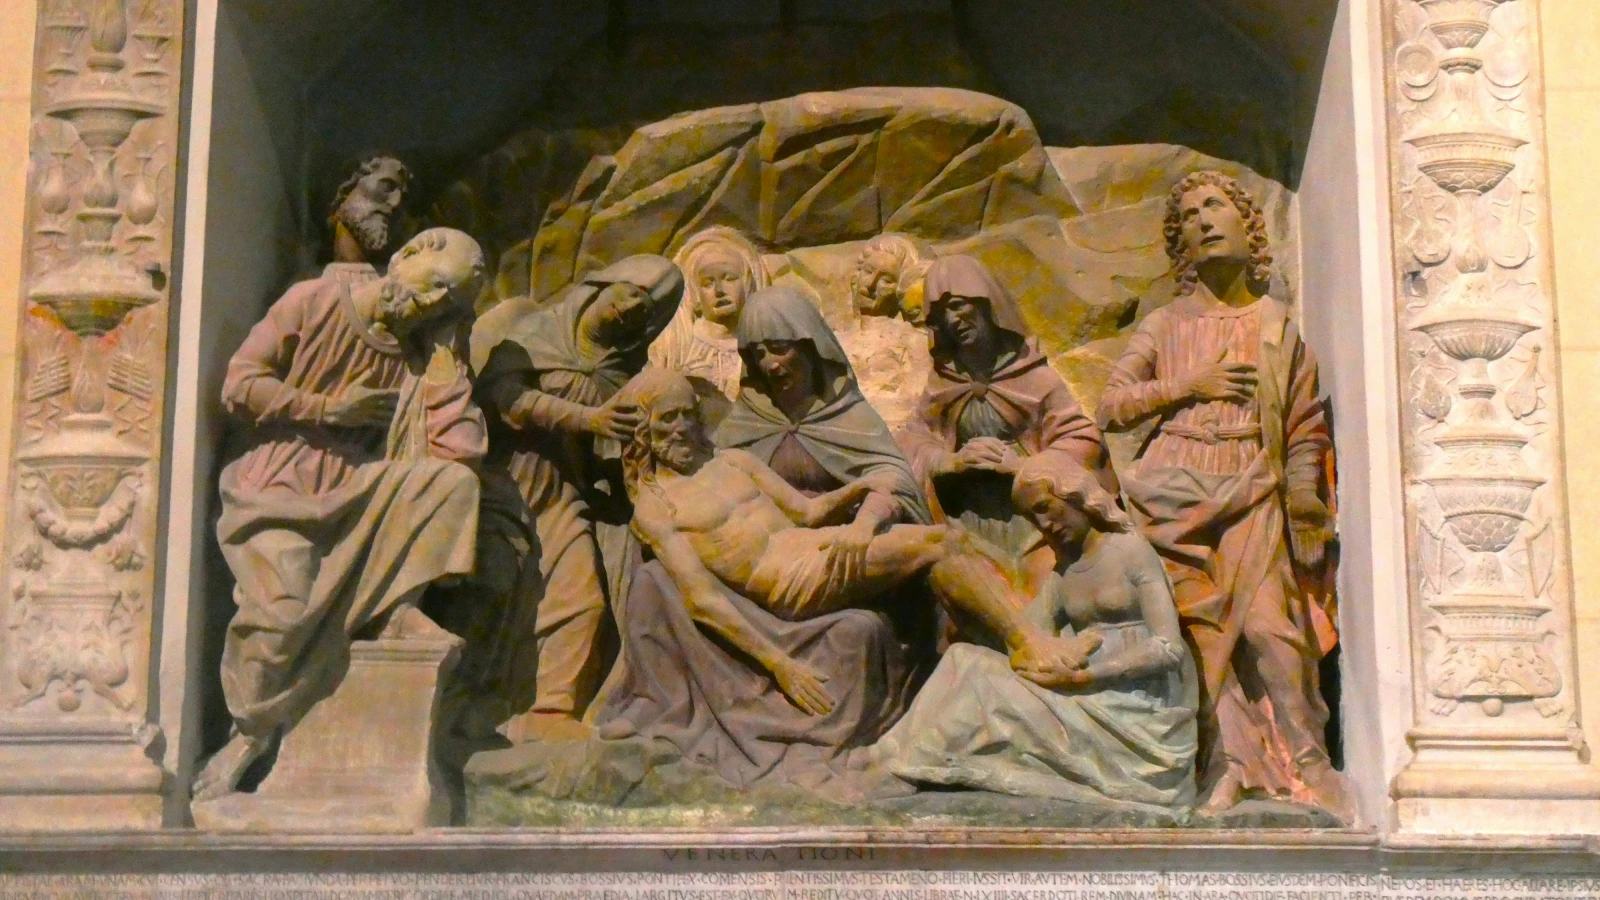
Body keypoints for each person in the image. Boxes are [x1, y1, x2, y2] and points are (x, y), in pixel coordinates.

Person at [591, 370, 1092, 799]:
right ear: (643, 431)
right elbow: (702, 601)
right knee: (940, 545)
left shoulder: (732, 463)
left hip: (816, 547)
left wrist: (861, 489)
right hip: (790, 584)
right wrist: (781, 665)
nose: (680, 428)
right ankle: (1027, 645)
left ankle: (1013, 649)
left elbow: (806, 512)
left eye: (686, 414)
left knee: (948, 541)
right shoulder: (658, 509)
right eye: (666, 419)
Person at [196, 228, 489, 801]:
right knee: (281, 614)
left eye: (446, 300)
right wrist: (330, 409)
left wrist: (447, 357)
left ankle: (392, 607)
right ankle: (246, 736)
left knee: (451, 484)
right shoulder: (313, 301)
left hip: (353, 494)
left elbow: (462, 452)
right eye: (433, 285)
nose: (430, 303)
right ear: (403, 256)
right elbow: (239, 384)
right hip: (275, 489)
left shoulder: (414, 362)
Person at [1096, 171, 1343, 815]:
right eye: (1188, 217)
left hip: (1251, 484)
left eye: (1216, 208)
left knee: (1270, 631)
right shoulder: (1164, 324)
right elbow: (1112, 405)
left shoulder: (1277, 326)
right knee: (1201, 637)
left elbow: (1303, 425)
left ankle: (1308, 761)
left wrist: (1307, 507)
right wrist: (1188, 386)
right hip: (1170, 490)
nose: (1203, 221)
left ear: (1246, 226)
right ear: (1181, 245)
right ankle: (1225, 762)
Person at [872, 454, 1197, 810]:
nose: (1044, 524)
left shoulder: (1131, 551)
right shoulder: (1065, 572)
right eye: (1033, 518)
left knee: (984, 683)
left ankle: (908, 765)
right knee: (963, 658)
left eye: (1045, 507)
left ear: (1076, 495)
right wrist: (964, 597)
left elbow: (1168, 647)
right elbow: (1023, 639)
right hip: (1083, 689)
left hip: (1137, 706)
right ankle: (890, 754)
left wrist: (1087, 675)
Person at [470, 255, 684, 742]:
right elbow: (501, 397)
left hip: (563, 492)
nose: (633, 309)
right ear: (598, 285)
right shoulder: (532, 332)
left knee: (584, 598)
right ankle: (475, 708)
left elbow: (609, 454)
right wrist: (587, 420)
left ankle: (552, 713)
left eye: (647, 310)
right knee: (495, 583)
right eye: (629, 292)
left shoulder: (622, 375)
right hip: (501, 482)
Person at [900, 254, 1114, 596]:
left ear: (987, 303)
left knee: (1046, 589)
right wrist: (949, 462)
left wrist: (1024, 466)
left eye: (958, 305)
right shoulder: (943, 383)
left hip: (1033, 521)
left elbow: (1083, 438)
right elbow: (912, 441)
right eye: (942, 315)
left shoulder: (1033, 377)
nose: (954, 321)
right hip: (966, 522)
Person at [647, 226, 770, 402]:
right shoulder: (674, 347)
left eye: (729, 279)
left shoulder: (765, 347)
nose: (719, 291)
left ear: (747, 285)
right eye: (707, 283)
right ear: (696, 295)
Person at [834, 234, 934, 433]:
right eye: (868, 271)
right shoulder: (833, 339)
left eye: (886, 280)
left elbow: (922, 404)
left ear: (899, 290)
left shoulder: (912, 340)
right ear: (856, 275)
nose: (870, 285)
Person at [322, 154, 411, 287]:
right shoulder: (302, 296)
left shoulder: (398, 291)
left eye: (402, 196)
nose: (395, 202)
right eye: (387, 186)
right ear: (349, 191)